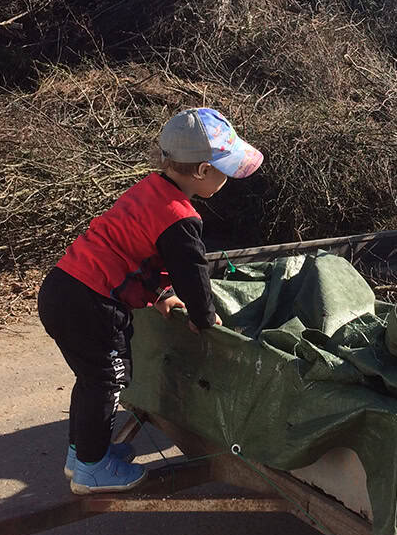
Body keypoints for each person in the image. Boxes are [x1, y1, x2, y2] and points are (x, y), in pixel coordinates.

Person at [37, 107, 263, 494]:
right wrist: (204, 317)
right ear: (204, 172)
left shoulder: (149, 191)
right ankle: (92, 471)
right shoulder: (180, 218)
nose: (228, 179)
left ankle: (83, 455)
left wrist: (159, 296)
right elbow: (190, 272)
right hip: (91, 305)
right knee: (108, 379)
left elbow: (133, 253)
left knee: (91, 379)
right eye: (226, 169)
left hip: (63, 288)